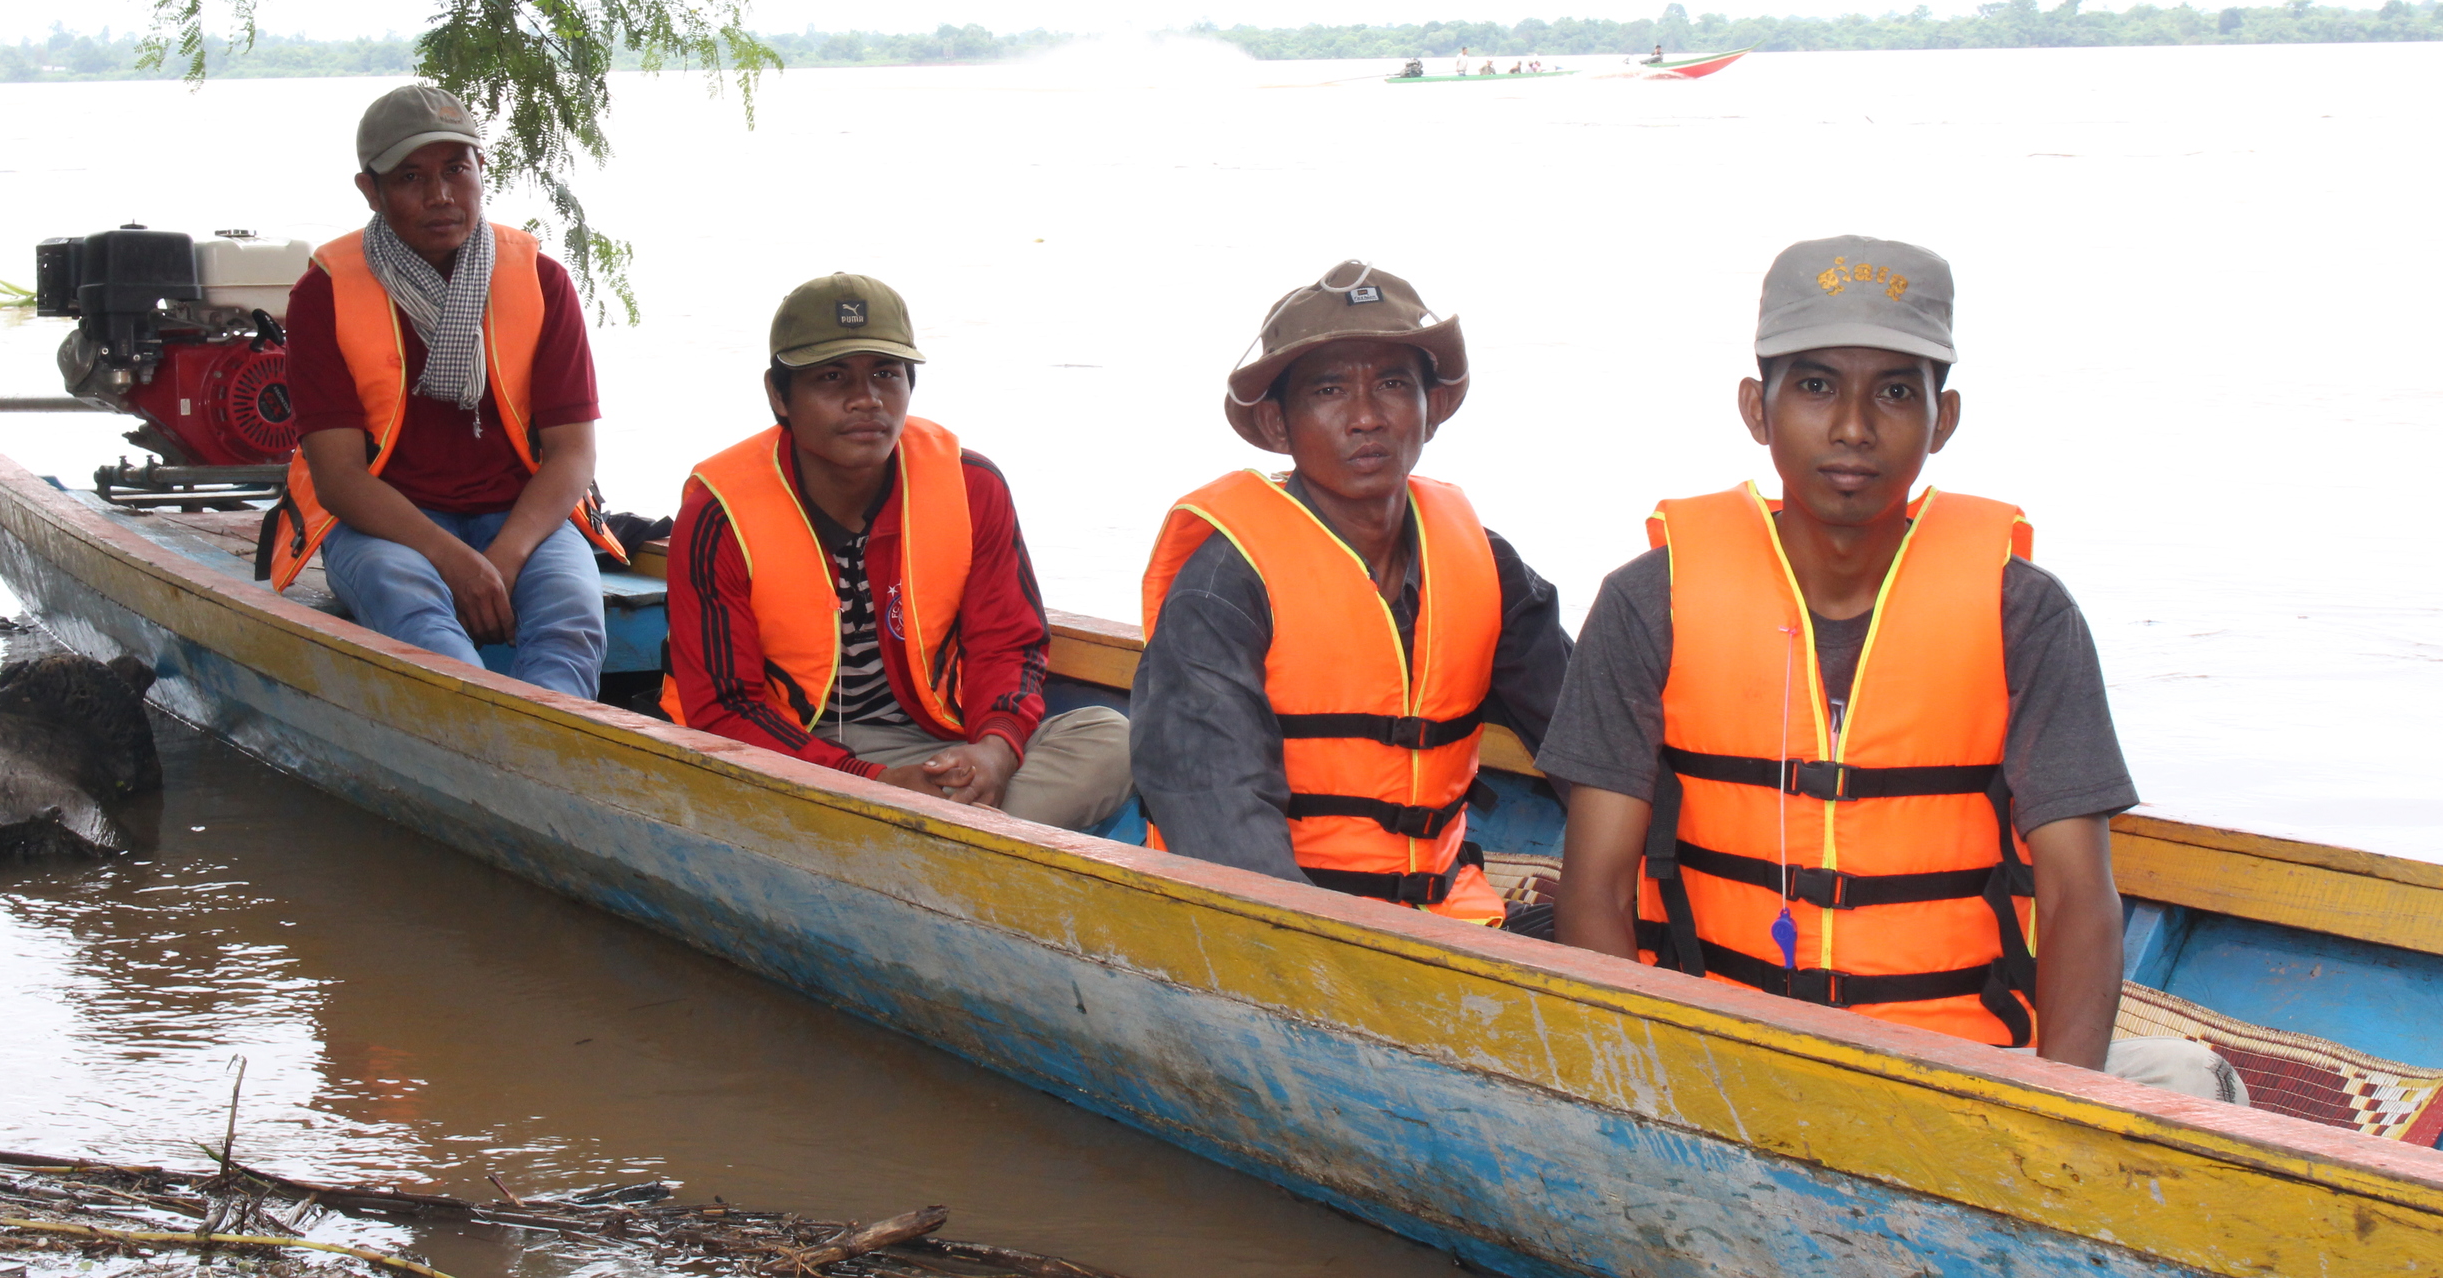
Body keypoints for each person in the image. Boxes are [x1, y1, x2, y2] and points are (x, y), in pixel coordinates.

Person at [1543, 237, 2244, 1101]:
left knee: (2191, 1080)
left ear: (1941, 420)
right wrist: (1654, 1100)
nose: (1853, 427)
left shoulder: (2024, 613)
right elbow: (1596, 890)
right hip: (1721, 1056)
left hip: (1965, 1071)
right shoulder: (1651, 602)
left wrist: (2060, 1125)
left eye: (1896, 392)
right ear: (1756, 409)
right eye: (1815, 385)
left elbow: (2077, 899)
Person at [1132, 263, 1571, 930]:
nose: (1367, 416)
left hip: (1450, 909)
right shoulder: (1225, 584)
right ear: (1278, 424)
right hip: (1290, 929)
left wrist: (1625, 886)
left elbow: (1582, 737)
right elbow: (1222, 824)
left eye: (1393, 383)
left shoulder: (1482, 561)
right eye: (1330, 389)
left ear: (1434, 408)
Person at [661, 273, 1133, 830]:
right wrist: (873, 783)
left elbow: (1006, 644)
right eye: (832, 377)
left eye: (886, 374)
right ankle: (949, 840)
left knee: (1115, 737)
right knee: (757, 785)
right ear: (778, 395)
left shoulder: (970, 484)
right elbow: (726, 709)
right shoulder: (719, 514)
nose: (866, 399)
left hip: (932, 743)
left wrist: (993, 753)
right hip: (792, 750)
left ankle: (925, 839)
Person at [268, 85, 624, 697]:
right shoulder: (323, 295)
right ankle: (490, 758)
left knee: (571, 618)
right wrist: (457, 564)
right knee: (419, 627)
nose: (440, 196)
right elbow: (340, 479)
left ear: (481, 170)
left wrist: (505, 557)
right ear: (370, 190)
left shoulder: (542, 281)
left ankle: (547, 760)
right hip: (387, 526)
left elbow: (572, 453)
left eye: (456, 169)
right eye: (410, 177)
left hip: (521, 517)